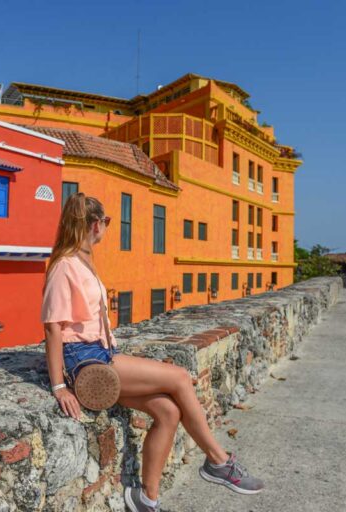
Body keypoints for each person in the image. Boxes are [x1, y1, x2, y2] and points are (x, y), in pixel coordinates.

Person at [41, 193, 264, 512]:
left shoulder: (82, 259)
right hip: (86, 361)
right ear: (94, 225)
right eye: (106, 222)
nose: (107, 228)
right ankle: (218, 460)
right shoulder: (65, 266)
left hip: (101, 352)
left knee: (168, 412)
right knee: (180, 377)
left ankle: (147, 499)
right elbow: (52, 327)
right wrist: (59, 386)